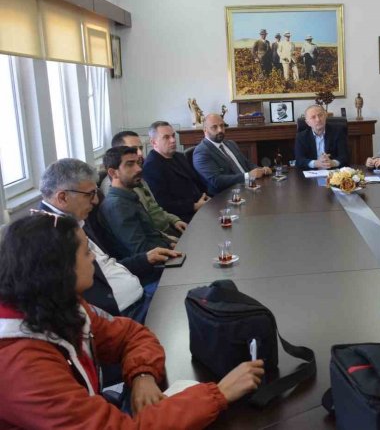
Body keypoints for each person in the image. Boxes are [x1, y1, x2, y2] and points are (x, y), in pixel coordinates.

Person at [0, 213, 265, 428]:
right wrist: (219, 394)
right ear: (58, 268)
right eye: (85, 252)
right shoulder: (22, 365)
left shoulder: (58, 306)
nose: (93, 258)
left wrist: (142, 374)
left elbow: (131, 334)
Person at [38, 159, 178, 320]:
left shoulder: (75, 220)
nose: (96, 200)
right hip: (126, 315)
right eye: (90, 194)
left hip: (140, 296)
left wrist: (145, 258)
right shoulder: (50, 238)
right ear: (63, 197)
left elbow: (107, 267)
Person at [101, 131, 187, 237]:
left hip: (169, 228)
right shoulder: (117, 185)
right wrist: (169, 239)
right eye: (133, 149)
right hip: (159, 238)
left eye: (140, 148)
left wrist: (174, 220)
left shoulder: (137, 176)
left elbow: (155, 208)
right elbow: (142, 227)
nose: (140, 153)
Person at [100, 147, 174, 262]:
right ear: (113, 173)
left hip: (164, 252)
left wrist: (171, 243)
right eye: (130, 164)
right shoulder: (117, 205)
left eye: (138, 163)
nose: (139, 169)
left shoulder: (129, 195)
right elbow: (142, 251)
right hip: (156, 266)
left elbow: (151, 234)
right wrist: (171, 247)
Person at [142, 121, 209, 223]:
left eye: (173, 136)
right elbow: (163, 204)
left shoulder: (179, 156)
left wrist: (206, 197)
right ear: (153, 142)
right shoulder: (151, 166)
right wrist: (195, 206)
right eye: (166, 137)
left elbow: (196, 182)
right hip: (181, 217)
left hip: (201, 206)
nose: (173, 140)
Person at [193, 114, 272, 195]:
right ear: (205, 130)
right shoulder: (201, 152)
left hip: (250, 187)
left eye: (222, 126)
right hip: (228, 196)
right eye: (214, 127)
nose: (220, 130)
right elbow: (216, 181)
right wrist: (248, 176)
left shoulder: (230, 144)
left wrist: (262, 170)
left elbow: (247, 164)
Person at [294, 104, 350, 170]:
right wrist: (316, 163)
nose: (318, 119)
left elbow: (345, 157)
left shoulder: (338, 133)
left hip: (333, 173)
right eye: (313, 117)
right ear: (307, 122)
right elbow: (299, 160)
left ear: (325, 116)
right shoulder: (301, 137)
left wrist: (333, 163)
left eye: (320, 115)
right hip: (311, 173)